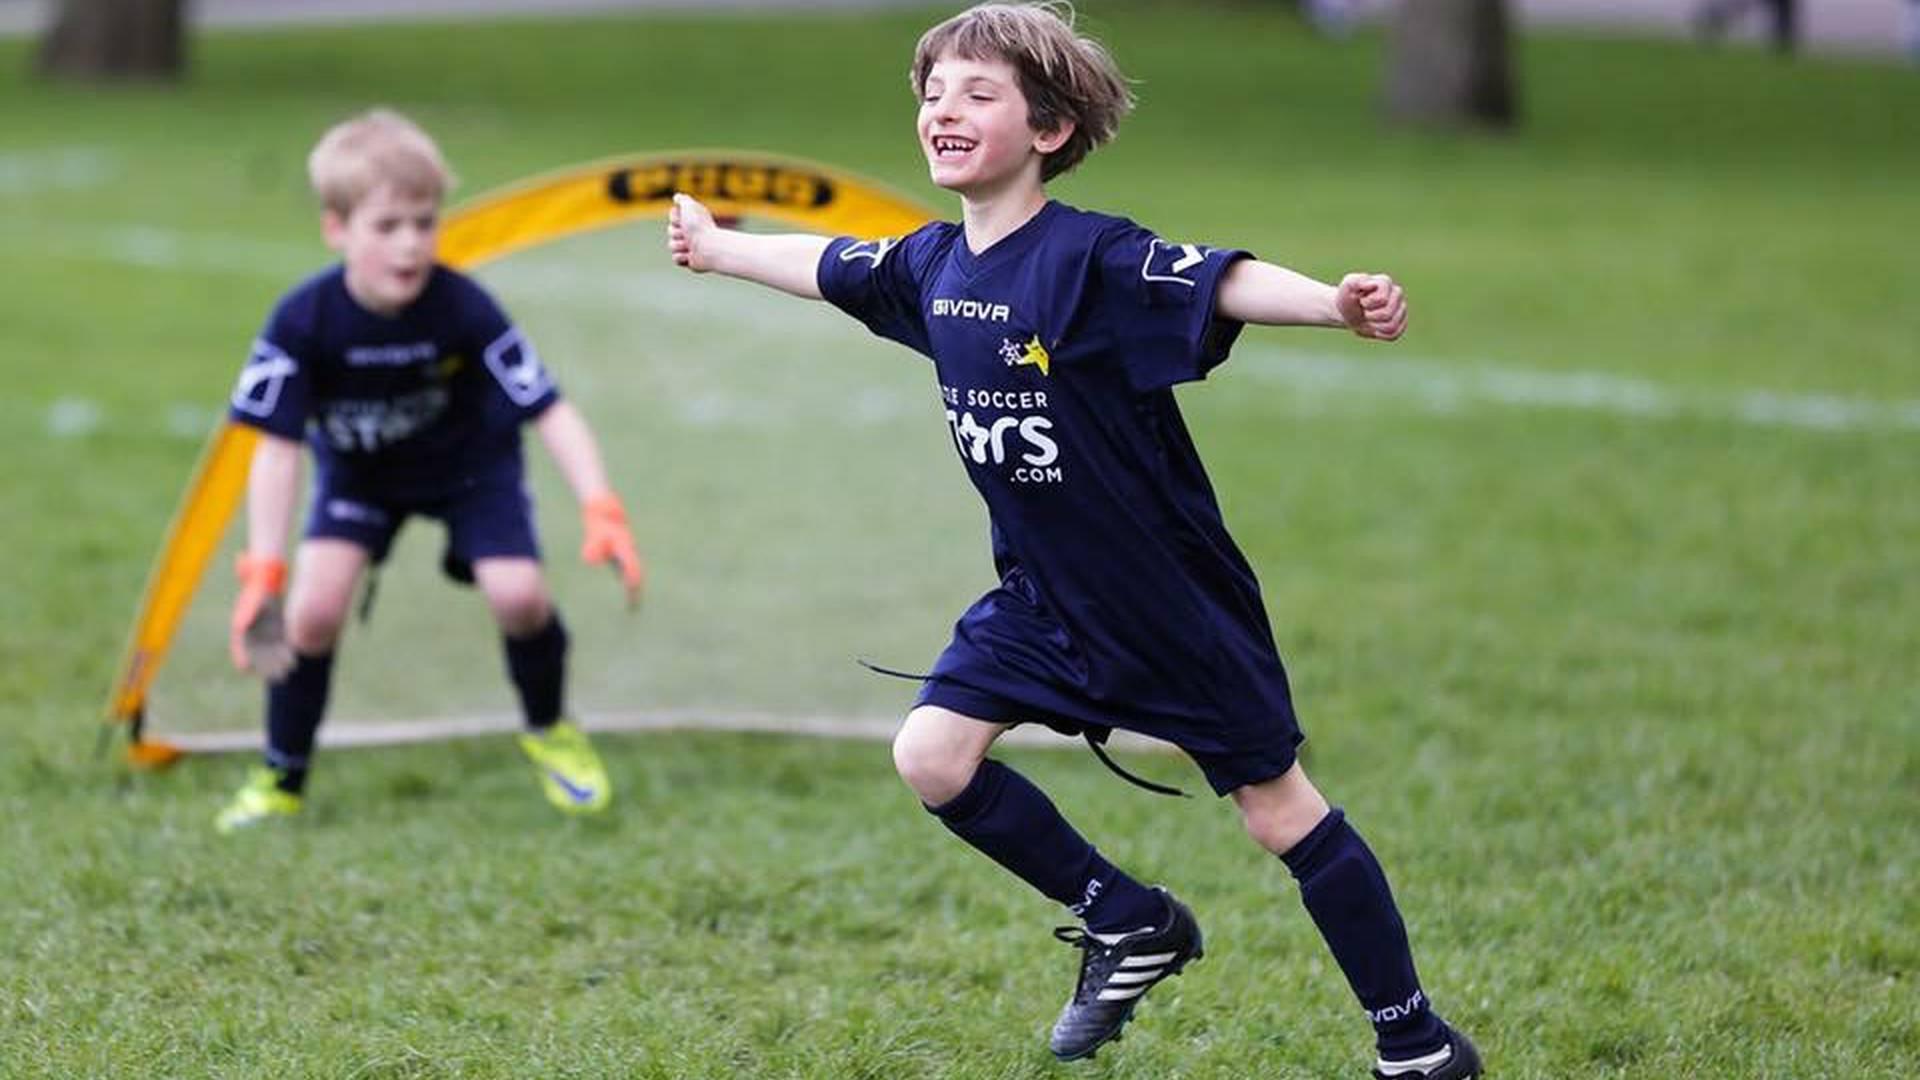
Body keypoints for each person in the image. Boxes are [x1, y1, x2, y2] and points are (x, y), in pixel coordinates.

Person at [666, 3, 1483, 1075]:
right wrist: (722, 249)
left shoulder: (1093, 259)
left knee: (1278, 812)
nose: (942, 109)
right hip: (1044, 599)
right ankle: (1128, 917)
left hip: (1165, 603)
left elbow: (1220, 279)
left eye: (976, 92)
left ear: (1048, 130)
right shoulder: (933, 268)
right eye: (931, 93)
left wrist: (1335, 303)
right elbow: (832, 263)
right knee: (932, 754)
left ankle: (1415, 1045)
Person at [218, 108, 643, 833]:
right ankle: (280, 776)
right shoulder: (301, 321)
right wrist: (263, 565)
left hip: (472, 473)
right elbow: (278, 447)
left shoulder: (464, 306)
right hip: (360, 480)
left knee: (519, 597)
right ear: (336, 229)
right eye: (387, 226)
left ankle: (550, 732)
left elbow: (548, 408)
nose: (411, 243)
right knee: (312, 615)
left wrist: (600, 504)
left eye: (423, 221)